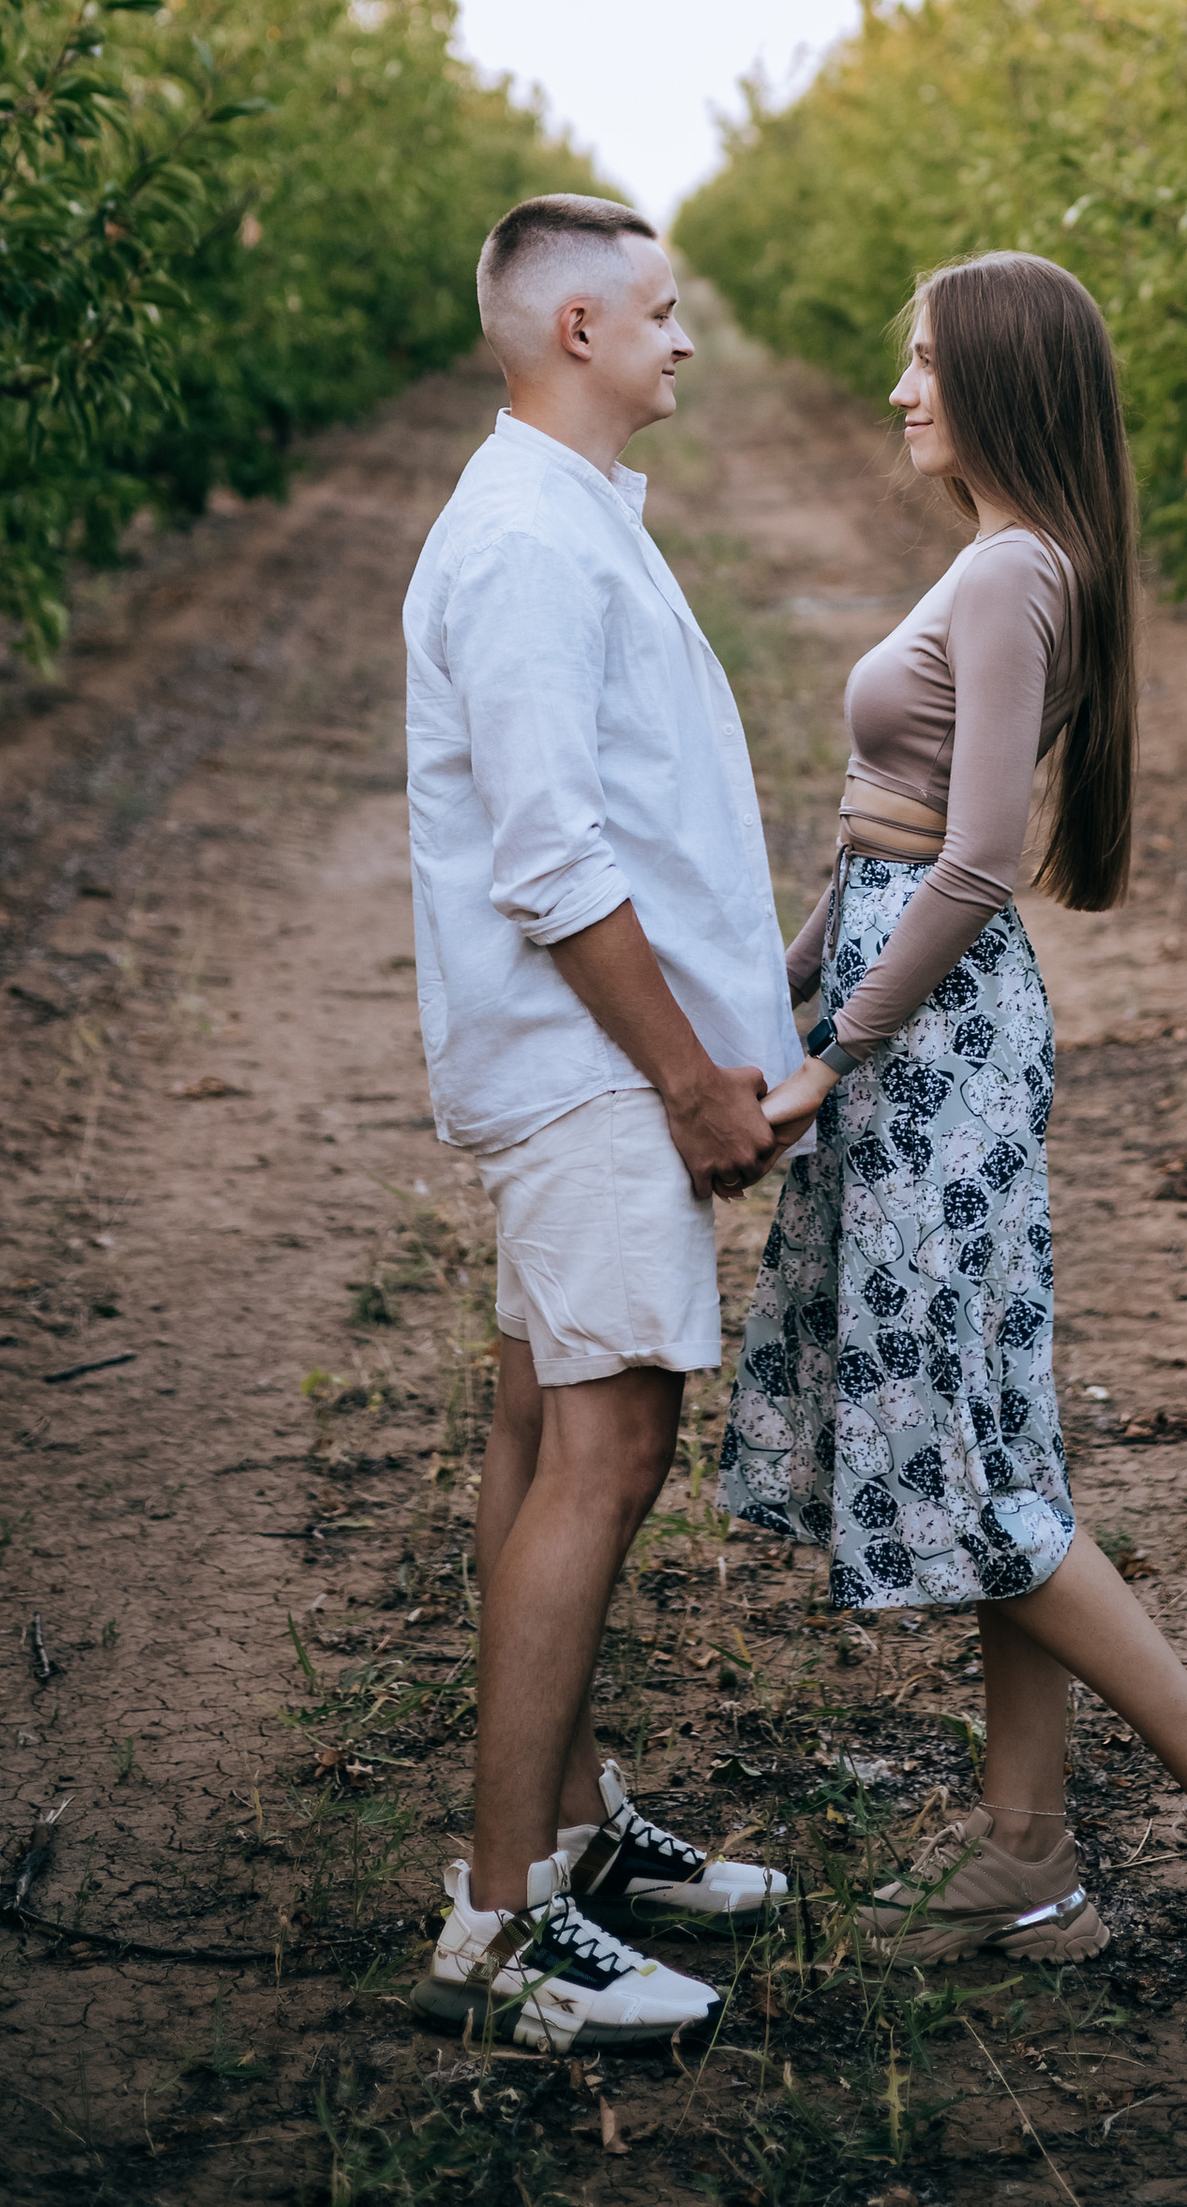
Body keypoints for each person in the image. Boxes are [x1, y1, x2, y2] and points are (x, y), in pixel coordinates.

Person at [720, 251, 1187, 1996]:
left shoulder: (1014, 571)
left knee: (965, 1452)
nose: (899, 391)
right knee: (994, 1441)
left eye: (927, 362)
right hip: (917, 1017)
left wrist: (833, 1052)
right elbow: (880, 838)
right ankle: (1026, 1856)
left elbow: (974, 862)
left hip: (936, 1043)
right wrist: (777, 996)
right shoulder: (1003, 556)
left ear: (1003, 379)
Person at [403, 193, 799, 2046]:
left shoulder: (566, 517)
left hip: (585, 1069)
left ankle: (564, 1833)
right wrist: (690, 1081)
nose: (684, 336)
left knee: (537, 1428)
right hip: (593, 1076)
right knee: (611, 1452)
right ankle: (503, 1923)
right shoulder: (525, 545)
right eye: (659, 309)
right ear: (578, 330)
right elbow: (551, 857)